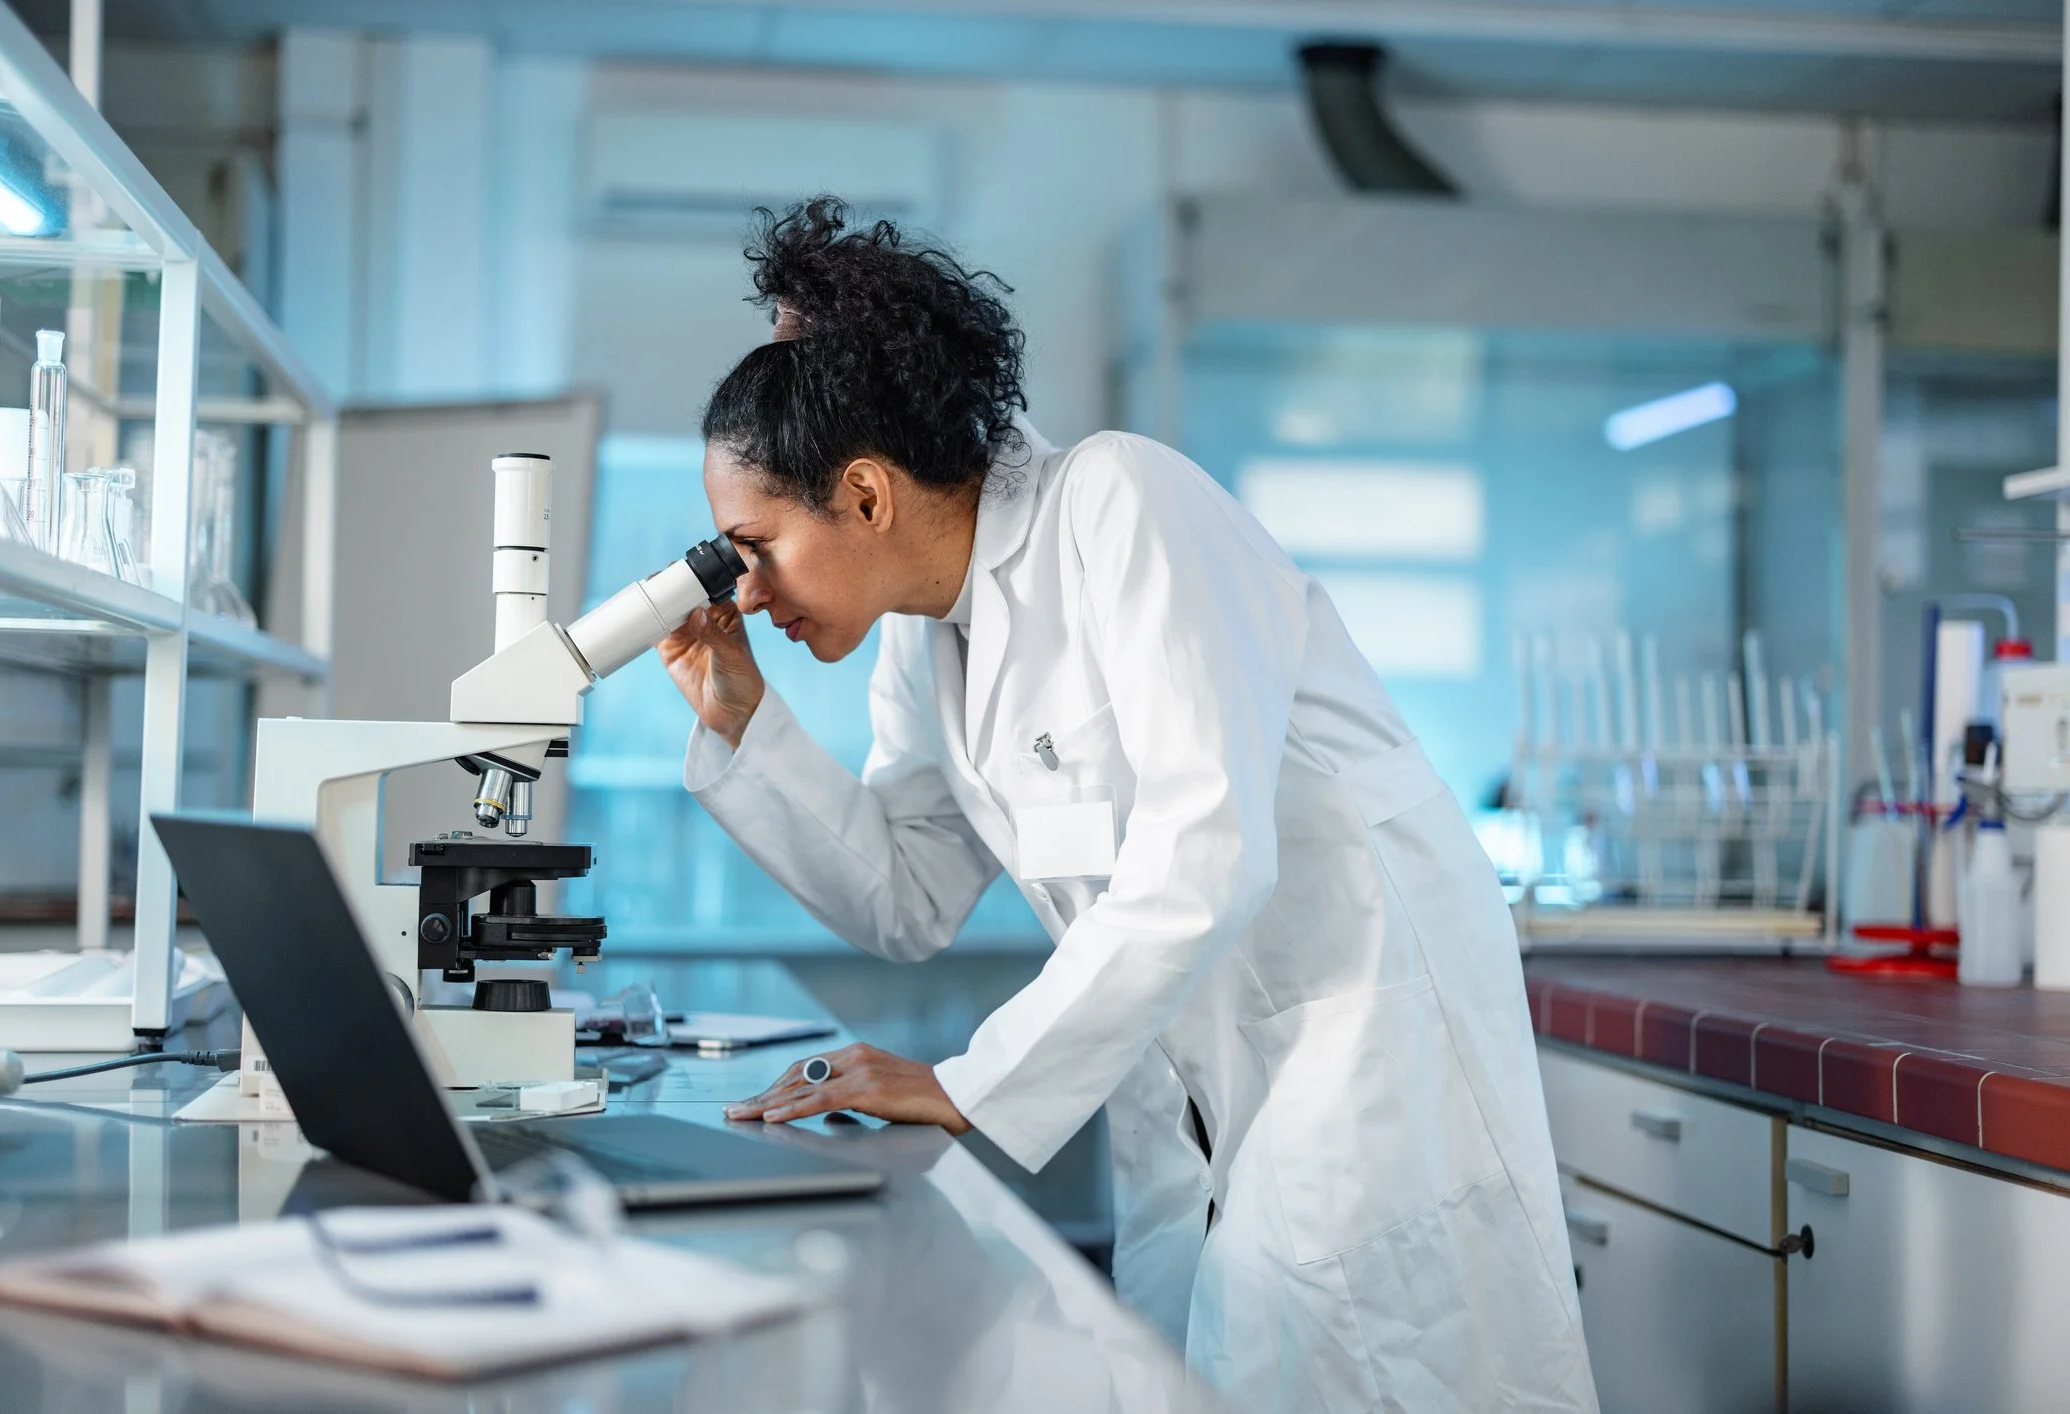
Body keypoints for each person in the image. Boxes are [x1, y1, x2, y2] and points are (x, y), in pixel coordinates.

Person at [663, 198, 1599, 1413]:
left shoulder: (1120, 504)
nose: (745, 586)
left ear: (865, 493)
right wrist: (740, 719)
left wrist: (966, 1079)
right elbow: (904, 897)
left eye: (756, 541)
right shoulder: (926, 636)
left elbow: (1203, 853)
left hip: (1355, 1069)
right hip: (1197, 1106)